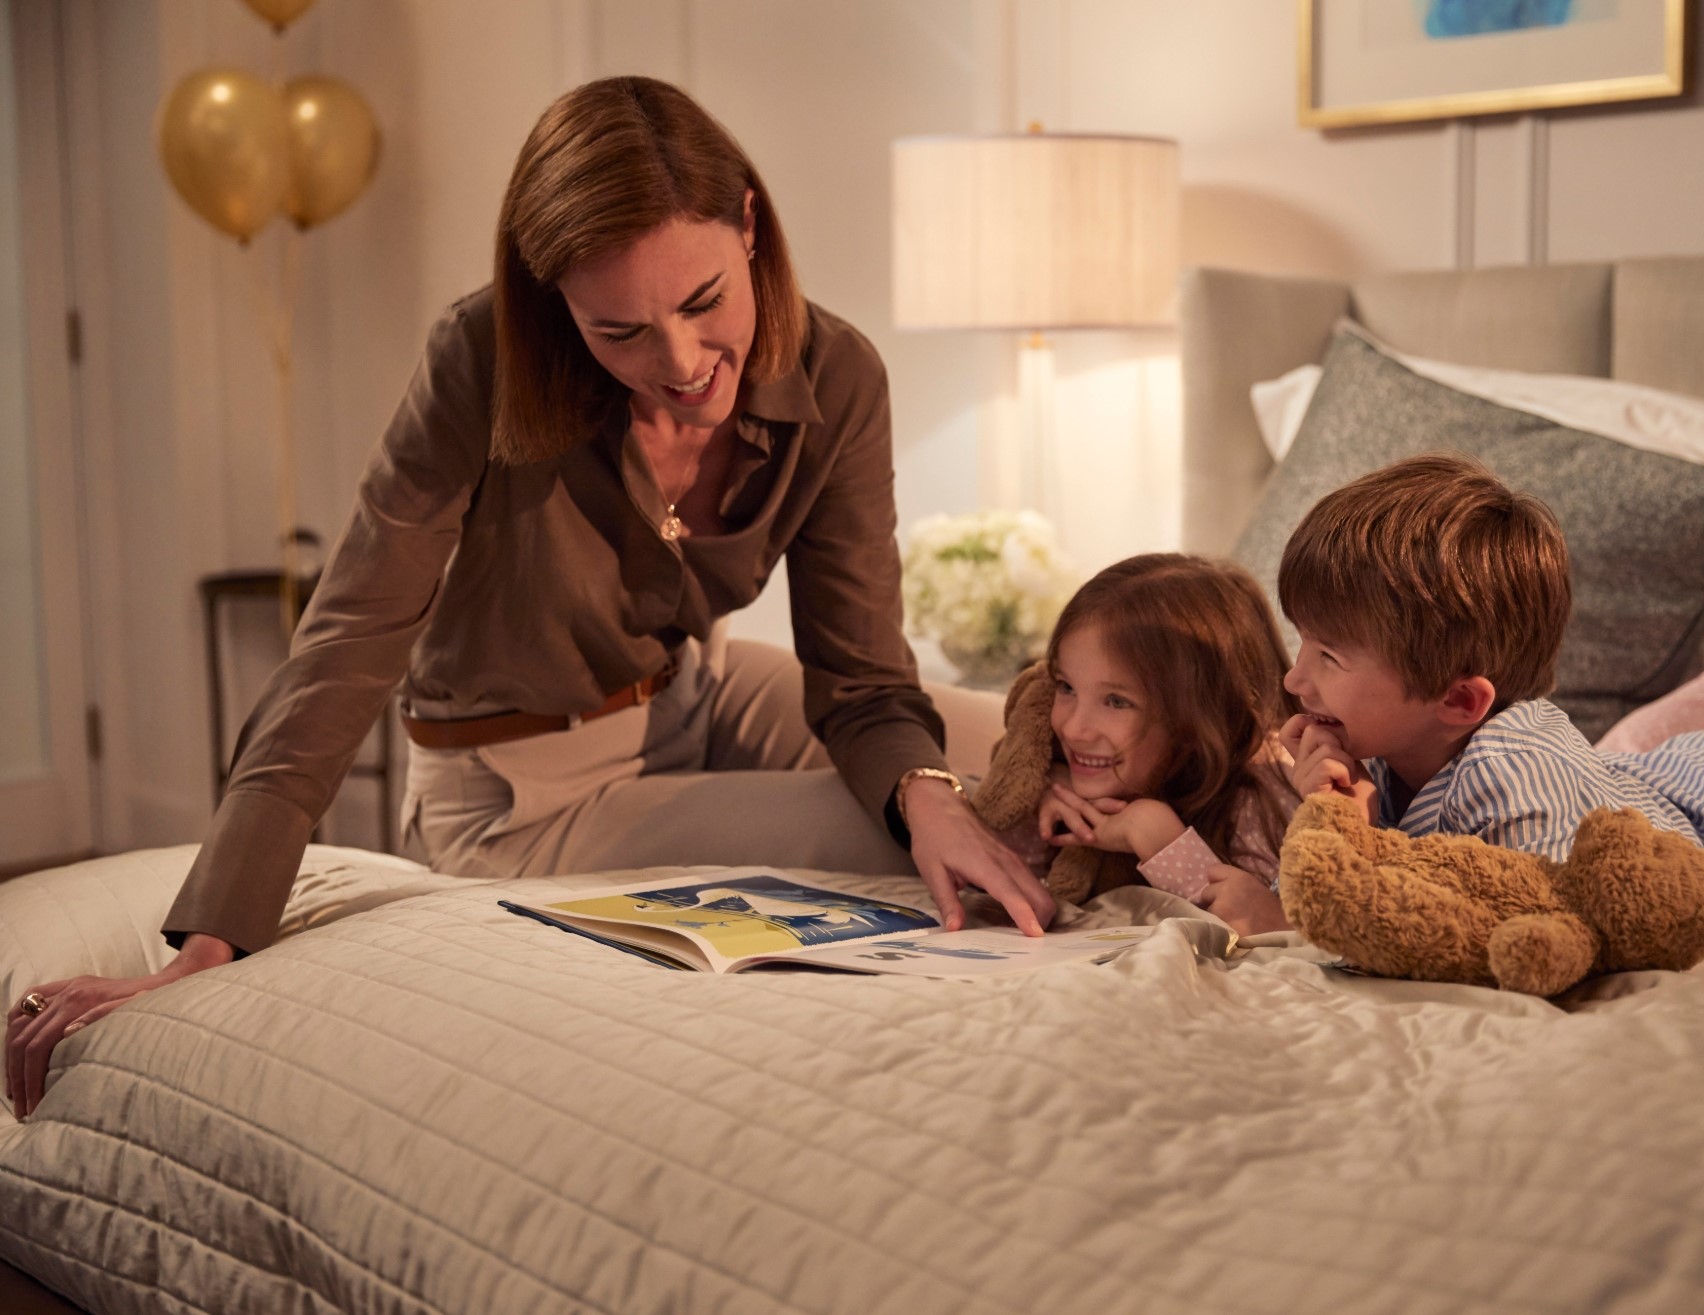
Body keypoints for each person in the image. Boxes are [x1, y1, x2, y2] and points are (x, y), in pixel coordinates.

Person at [7, 77, 1053, 1119]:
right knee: (918, 840)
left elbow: (864, 681)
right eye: (619, 331)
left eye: (702, 303)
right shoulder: (479, 360)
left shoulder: (840, 375)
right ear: (555, 300)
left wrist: (924, 785)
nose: (680, 363)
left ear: (747, 226)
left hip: (697, 692)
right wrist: (210, 939)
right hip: (518, 789)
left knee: (1011, 763)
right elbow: (350, 637)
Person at [1274, 445, 1704, 931]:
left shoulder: (1512, 778)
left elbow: (1534, 918)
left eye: (1327, 655)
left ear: (1459, 702)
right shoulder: (1400, 754)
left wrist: (1356, 845)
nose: (1292, 677)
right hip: (1677, 776)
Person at [1003, 554, 1303, 938]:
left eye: (1116, 701)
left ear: (1199, 714)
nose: (1075, 729)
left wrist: (1156, 835)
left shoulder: (1263, 788)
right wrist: (1040, 794)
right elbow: (1001, 873)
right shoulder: (1064, 772)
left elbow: (1253, 929)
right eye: (1066, 687)